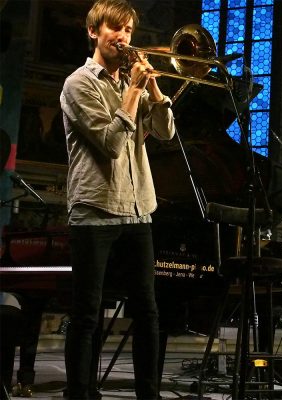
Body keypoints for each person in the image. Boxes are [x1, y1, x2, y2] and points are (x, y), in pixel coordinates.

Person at [60, 0, 175, 398]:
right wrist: (133, 90)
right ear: (94, 31)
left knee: (147, 311)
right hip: (95, 211)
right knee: (87, 315)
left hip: (138, 209)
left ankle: (149, 393)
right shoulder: (79, 84)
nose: (123, 37)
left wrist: (154, 85)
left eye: (128, 31)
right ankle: (79, 393)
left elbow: (165, 133)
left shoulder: (133, 84)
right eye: (114, 29)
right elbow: (110, 143)